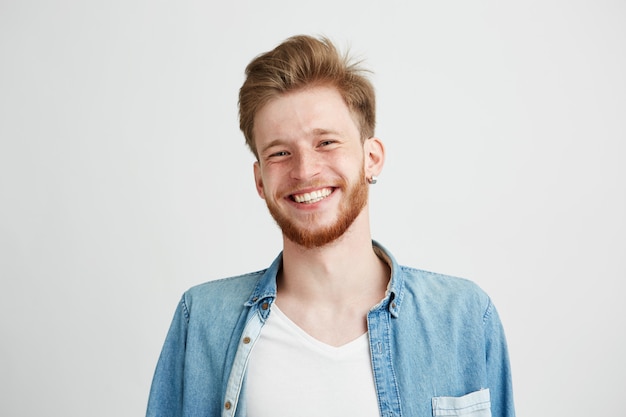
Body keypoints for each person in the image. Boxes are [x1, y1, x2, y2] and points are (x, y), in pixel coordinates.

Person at [146, 34, 515, 417]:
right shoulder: (202, 320)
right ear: (260, 181)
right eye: (280, 152)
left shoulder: (463, 318)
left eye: (326, 143)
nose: (304, 170)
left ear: (371, 158)